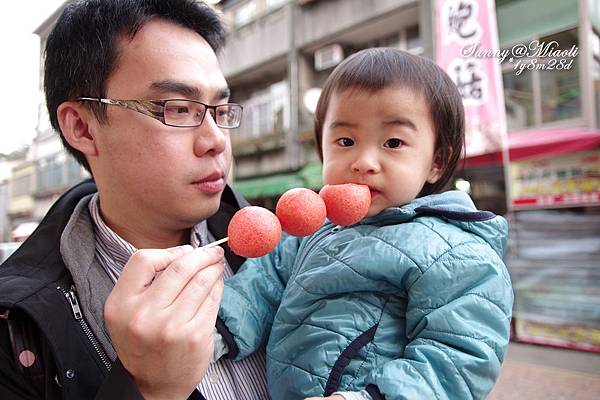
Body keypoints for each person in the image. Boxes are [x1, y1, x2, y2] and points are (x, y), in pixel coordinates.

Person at [0, 1, 269, 399]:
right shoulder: (16, 329)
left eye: (221, 109)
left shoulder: (283, 257)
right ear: (83, 127)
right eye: (178, 108)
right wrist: (145, 388)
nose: (215, 140)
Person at [214, 48, 514, 400]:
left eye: (393, 142)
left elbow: (458, 357)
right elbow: (265, 281)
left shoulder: (456, 254)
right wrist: (216, 333)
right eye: (345, 141)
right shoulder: (314, 226)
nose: (364, 162)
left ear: (436, 161)